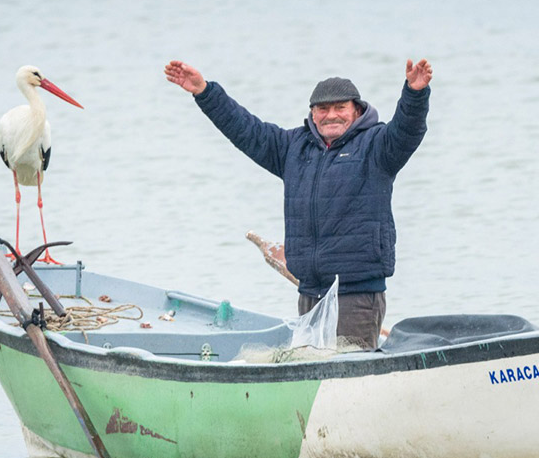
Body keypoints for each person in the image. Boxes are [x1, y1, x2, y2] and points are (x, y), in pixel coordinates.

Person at [164, 58, 432, 350]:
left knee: (352, 379)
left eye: (340, 108)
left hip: (357, 296)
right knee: (314, 376)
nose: (331, 115)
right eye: (323, 109)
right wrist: (204, 92)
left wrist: (415, 94)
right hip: (310, 294)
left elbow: (408, 130)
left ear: (356, 111)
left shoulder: (377, 146)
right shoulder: (293, 148)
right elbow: (245, 129)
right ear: (313, 114)